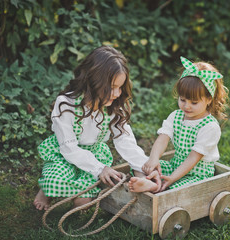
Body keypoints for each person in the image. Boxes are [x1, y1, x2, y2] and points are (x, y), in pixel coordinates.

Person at [33, 46, 159, 210]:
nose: (117, 94)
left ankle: (76, 190)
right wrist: (100, 169)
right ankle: (46, 189)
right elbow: (68, 147)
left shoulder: (113, 107)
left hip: (93, 154)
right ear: (93, 82)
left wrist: (143, 166)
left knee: (82, 204)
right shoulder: (66, 105)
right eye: (112, 87)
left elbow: (125, 141)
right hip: (65, 153)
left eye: (120, 87)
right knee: (54, 181)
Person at [128, 56, 228, 192]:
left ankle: (154, 185)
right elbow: (162, 139)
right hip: (175, 165)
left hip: (197, 173)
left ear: (209, 99)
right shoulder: (176, 116)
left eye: (194, 102)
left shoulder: (210, 127)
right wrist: (153, 159)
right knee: (138, 164)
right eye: (182, 99)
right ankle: (148, 180)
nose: (187, 106)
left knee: (175, 188)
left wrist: (172, 178)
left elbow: (193, 158)